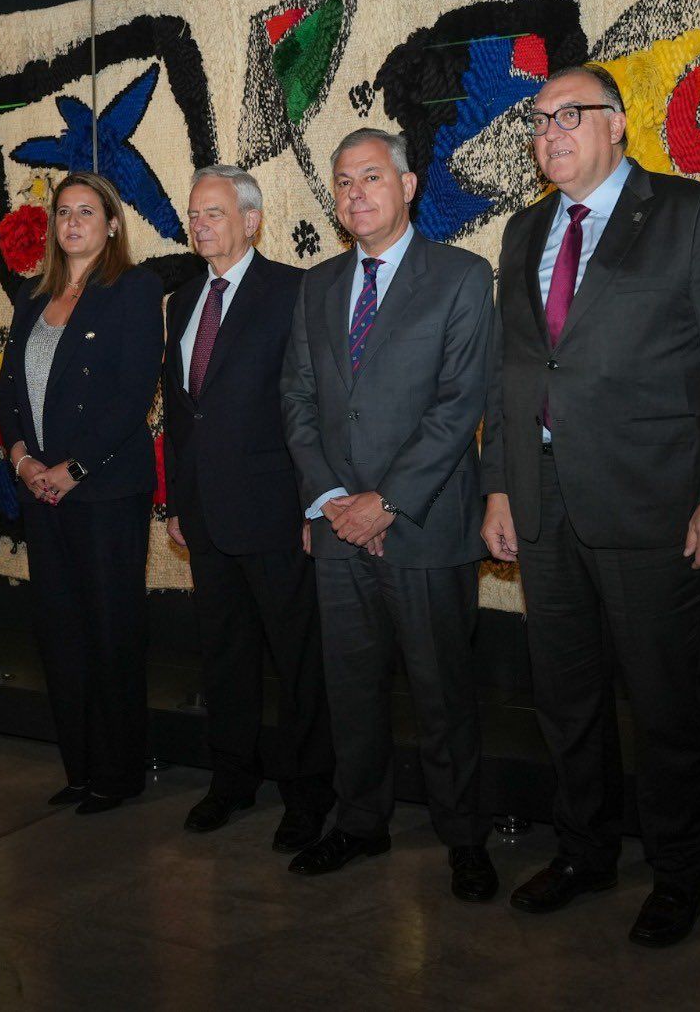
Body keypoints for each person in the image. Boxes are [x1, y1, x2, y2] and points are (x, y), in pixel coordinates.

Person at [481, 64, 700, 946]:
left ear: (619, 125)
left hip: (652, 500)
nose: (551, 132)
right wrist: (498, 481)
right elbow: (514, 369)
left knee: (663, 698)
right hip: (543, 498)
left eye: (570, 115)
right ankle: (584, 850)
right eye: (538, 121)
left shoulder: (689, 214)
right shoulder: (525, 231)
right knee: (565, 696)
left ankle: (680, 871)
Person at [279, 128, 498, 902]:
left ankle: (464, 838)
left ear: (408, 186)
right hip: (338, 530)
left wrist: (387, 501)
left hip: (425, 525)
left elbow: (460, 402)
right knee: (353, 694)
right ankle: (360, 823)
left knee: (442, 696)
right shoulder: (317, 286)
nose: (355, 194)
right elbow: (298, 402)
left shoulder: (463, 277)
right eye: (341, 183)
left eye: (371, 177)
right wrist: (335, 502)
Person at [162, 165, 334, 849]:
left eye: (215, 213)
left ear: (252, 220)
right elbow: (181, 412)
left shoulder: (293, 291)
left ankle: (307, 795)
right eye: (194, 214)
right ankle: (230, 782)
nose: (201, 225)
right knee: (224, 657)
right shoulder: (181, 300)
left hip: (276, 513)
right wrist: (177, 500)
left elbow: (313, 407)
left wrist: (312, 505)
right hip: (205, 514)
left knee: (298, 662)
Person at [0, 171, 164, 815]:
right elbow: (9, 393)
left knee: (110, 632)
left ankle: (118, 774)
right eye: (63, 211)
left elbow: (130, 396)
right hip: (41, 493)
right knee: (60, 635)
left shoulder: (134, 289)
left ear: (112, 223)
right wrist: (21, 459)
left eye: (86, 211)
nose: (72, 222)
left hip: (103, 494)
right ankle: (81, 766)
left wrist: (74, 468)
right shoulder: (32, 300)